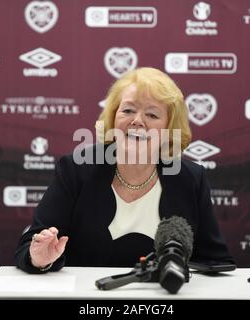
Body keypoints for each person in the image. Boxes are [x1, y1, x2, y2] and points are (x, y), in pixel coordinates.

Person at [14, 67, 234, 273]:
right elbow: (29, 247)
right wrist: (40, 259)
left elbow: (215, 261)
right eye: (128, 110)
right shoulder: (76, 170)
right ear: (113, 118)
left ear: (169, 130)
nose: (137, 121)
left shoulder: (190, 179)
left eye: (152, 115)